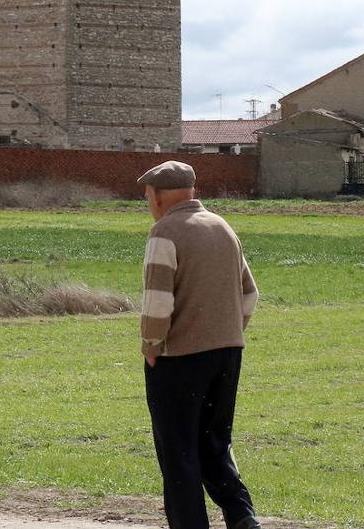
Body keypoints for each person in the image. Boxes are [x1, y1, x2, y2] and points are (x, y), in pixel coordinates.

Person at [136, 160, 261, 529]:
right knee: (214, 443)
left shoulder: (165, 232)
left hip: (178, 359)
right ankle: (242, 516)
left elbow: (158, 302)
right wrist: (227, 331)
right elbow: (250, 294)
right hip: (228, 352)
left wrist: (151, 346)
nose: (148, 203)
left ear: (158, 197)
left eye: (147, 196)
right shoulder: (223, 227)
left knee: (178, 453)